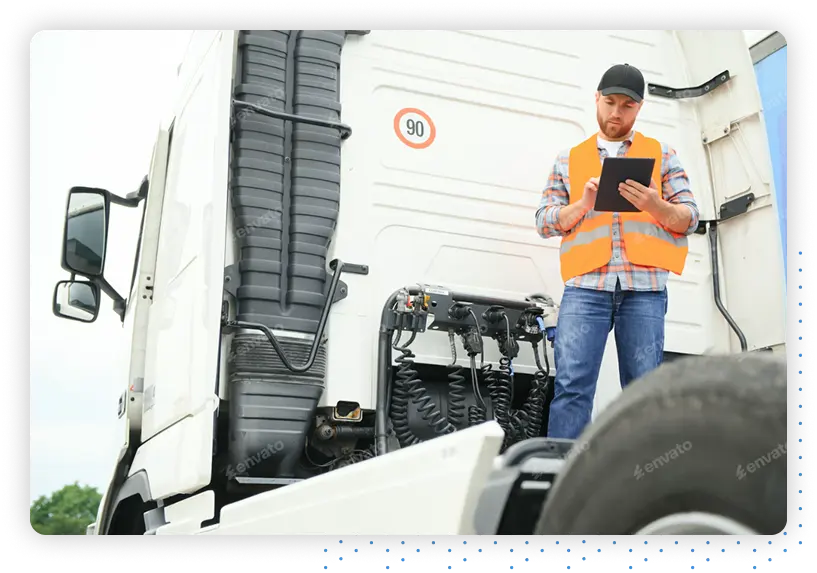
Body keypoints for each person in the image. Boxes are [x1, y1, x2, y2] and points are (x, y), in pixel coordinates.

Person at [535, 63, 700, 440]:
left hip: (643, 290)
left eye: (626, 106)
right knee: (572, 388)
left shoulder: (663, 154)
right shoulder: (568, 159)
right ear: (597, 99)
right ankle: (564, 481)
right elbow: (544, 221)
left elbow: (689, 218)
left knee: (644, 394)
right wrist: (581, 205)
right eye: (609, 102)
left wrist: (656, 205)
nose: (615, 113)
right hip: (586, 288)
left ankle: (643, 482)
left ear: (639, 107)